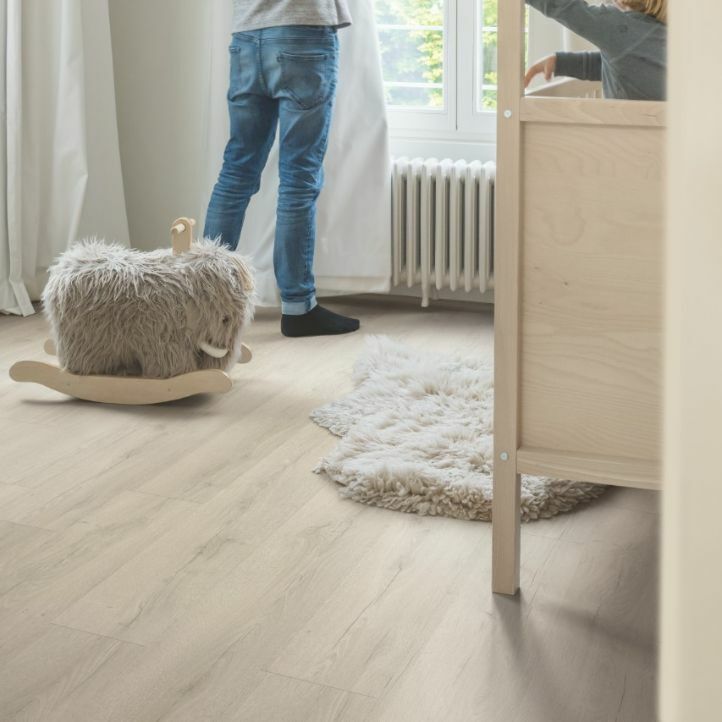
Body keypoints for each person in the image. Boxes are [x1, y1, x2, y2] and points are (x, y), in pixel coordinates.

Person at [205, 1, 360, 337]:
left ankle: (204, 302)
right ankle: (298, 306)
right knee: (298, 179)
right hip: (302, 34)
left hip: (248, 36)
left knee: (236, 173)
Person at [524, 0, 667, 101]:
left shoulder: (620, 27)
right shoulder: (664, 35)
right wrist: (561, 63)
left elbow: (567, 9)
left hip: (629, 139)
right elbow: (630, 69)